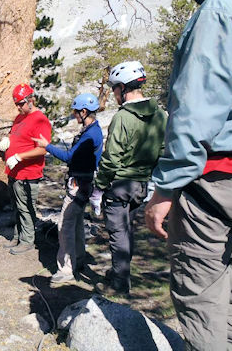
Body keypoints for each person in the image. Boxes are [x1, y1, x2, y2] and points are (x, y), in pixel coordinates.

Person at [145, 0, 232, 349]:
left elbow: (196, 108)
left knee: (202, 297)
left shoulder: (220, 9)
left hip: (214, 181)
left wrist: (166, 187)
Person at [94, 61, 167, 295]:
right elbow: (164, 151)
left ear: (124, 88)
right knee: (127, 231)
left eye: (115, 88)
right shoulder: (160, 114)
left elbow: (112, 158)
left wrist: (99, 186)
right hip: (141, 186)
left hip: (119, 185)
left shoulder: (123, 117)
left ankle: (119, 284)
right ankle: (120, 272)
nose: (114, 94)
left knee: (118, 234)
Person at [32, 93, 103, 283]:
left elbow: (70, 157)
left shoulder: (91, 134)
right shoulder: (92, 130)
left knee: (65, 226)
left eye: (76, 112)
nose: (74, 115)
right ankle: (79, 260)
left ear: (84, 111)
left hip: (79, 185)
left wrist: (47, 146)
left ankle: (66, 269)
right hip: (83, 183)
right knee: (77, 225)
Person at [0, 83, 52, 255]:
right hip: (14, 172)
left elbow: (43, 148)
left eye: (21, 103)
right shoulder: (19, 118)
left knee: (26, 208)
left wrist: (19, 157)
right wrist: (6, 141)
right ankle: (18, 236)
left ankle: (27, 240)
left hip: (28, 174)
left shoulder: (40, 120)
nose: (19, 107)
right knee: (16, 206)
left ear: (31, 100)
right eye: (17, 104)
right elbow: (17, 136)